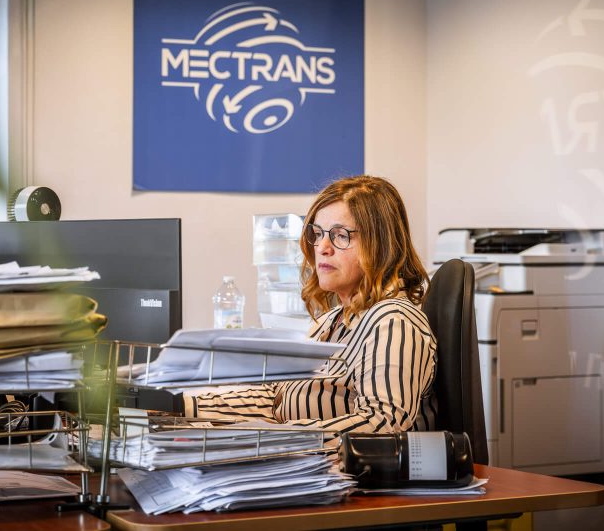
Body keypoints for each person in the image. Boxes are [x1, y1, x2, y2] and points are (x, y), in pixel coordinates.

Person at [186, 175, 437, 435]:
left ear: (381, 245)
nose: (322, 247)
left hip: (336, 463)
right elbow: (276, 397)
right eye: (317, 234)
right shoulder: (332, 321)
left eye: (341, 235)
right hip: (300, 457)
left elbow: (382, 422)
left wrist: (279, 437)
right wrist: (184, 406)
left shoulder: (393, 321)